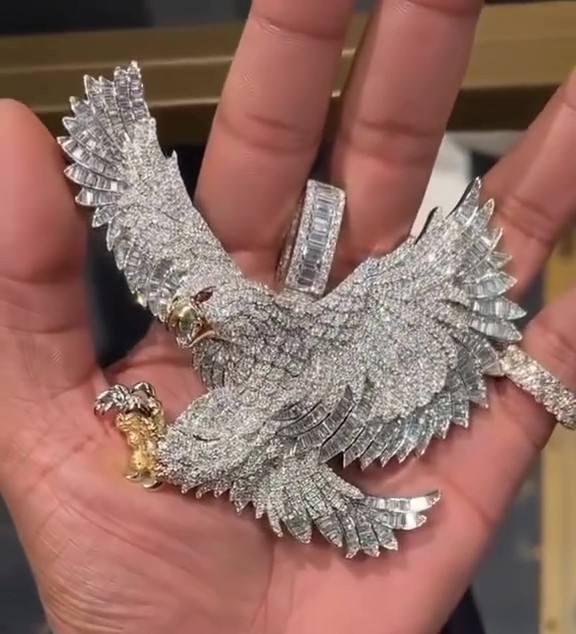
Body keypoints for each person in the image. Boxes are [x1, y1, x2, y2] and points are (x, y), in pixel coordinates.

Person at [0, 0, 574, 632]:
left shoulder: (321, 349)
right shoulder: (223, 331)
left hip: (311, 477)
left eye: (204, 314)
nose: (196, 319)